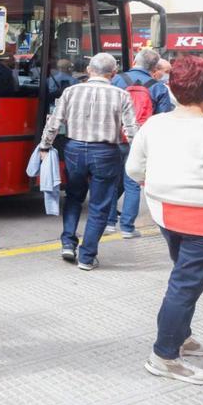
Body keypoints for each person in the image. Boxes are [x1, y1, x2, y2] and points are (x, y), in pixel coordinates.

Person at [126, 56, 203, 384]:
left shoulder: (154, 124)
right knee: (184, 288)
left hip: (165, 215)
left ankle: (181, 337)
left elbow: (134, 170)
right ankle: (164, 356)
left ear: (171, 87)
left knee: (184, 282)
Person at [38, 52, 138, 270]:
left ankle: (67, 242)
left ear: (89, 70)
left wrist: (45, 146)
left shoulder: (71, 91)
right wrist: (139, 156)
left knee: (73, 197)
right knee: (100, 206)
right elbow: (131, 130)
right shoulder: (121, 95)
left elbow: (54, 123)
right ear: (113, 73)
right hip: (105, 152)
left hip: (74, 149)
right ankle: (86, 256)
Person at [108, 48, 176, 238]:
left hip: (115, 137)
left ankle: (110, 223)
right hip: (140, 140)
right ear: (154, 67)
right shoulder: (159, 87)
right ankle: (128, 228)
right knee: (132, 184)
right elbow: (163, 119)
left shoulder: (116, 80)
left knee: (111, 181)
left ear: (135, 61)